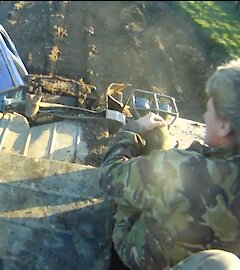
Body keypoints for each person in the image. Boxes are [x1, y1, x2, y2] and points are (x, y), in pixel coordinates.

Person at [100, 59, 240, 269]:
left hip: (137, 259)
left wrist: (133, 130)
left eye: (209, 109)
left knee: (150, 157)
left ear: (223, 127)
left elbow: (108, 175)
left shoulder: (180, 166)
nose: (204, 115)